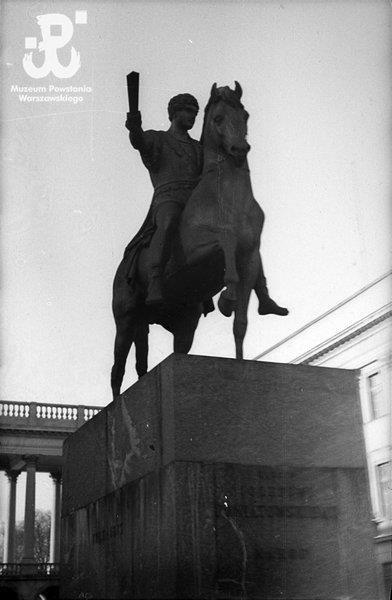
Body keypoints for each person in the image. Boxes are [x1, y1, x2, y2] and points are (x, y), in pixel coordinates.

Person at [125, 93, 288, 316]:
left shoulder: (198, 147)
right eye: (187, 110)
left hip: (199, 201)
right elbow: (139, 141)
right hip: (169, 199)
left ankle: (263, 294)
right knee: (170, 220)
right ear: (174, 113)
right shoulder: (158, 139)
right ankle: (154, 279)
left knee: (242, 232)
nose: (191, 115)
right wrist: (134, 124)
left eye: (194, 111)